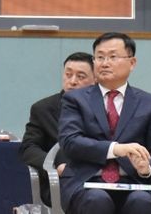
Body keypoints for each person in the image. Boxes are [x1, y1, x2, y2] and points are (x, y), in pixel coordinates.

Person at [58, 32, 151, 214]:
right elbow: (70, 142)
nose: (105, 63)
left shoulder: (150, 103)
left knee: (141, 201)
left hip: (135, 182)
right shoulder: (75, 99)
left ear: (132, 62)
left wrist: (146, 168)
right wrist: (115, 149)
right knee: (97, 199)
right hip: (86, 182)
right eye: (100, 57)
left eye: (112, 57)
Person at [19, 51, 95, 207]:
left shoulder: (105, 108)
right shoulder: (44, 109)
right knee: (92, 199)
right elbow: (28, 148)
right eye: (68, 75)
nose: (72, 81)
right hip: (61, 182)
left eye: (80, 76)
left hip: (99, 178)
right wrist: (55, 165)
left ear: (95, 80)